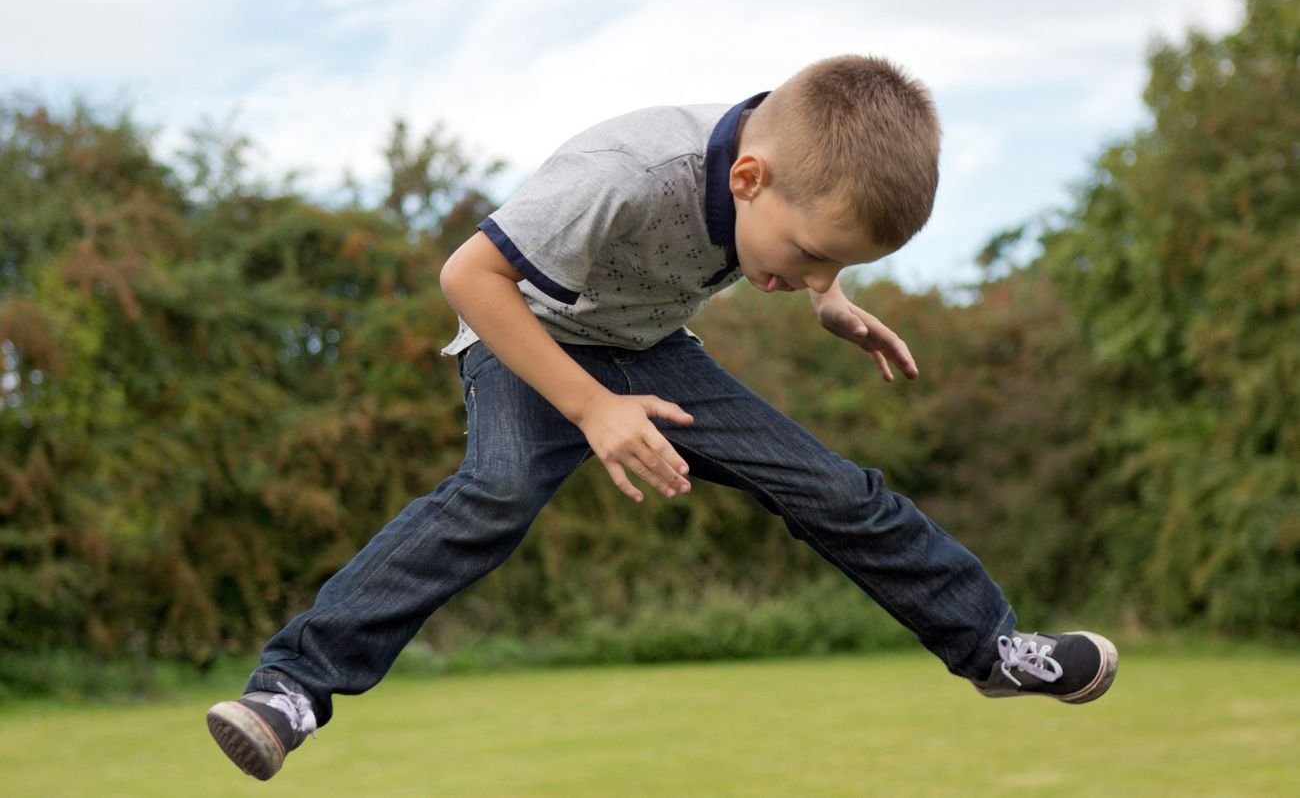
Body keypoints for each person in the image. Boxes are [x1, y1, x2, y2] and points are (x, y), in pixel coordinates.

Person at [206, 55, 1118, 780]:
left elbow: (810, 225)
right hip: (525, 338)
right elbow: (468, 277)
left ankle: (993, 648)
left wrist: (826, 297)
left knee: (836, 491)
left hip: (651, 346)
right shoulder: (629, 174)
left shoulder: (793, 168)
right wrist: (591, 406)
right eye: (803, 258)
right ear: (748, 177)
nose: (800, 273)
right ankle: (292, 688)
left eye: (827, 264)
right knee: (499, 487)